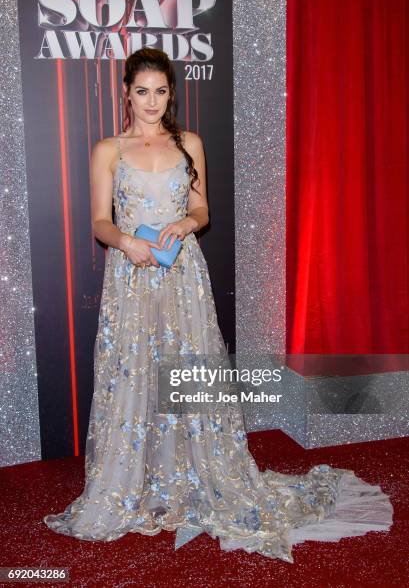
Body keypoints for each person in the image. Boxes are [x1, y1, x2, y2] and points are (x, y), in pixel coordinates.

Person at [43, 47, 393, 563]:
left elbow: (201, 207)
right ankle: (132, 484)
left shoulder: (190, 144)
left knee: (187, 370)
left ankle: (197, 474)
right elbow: (99, 220)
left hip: (184, 273)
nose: (152, 101)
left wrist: (186, 224)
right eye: (142, 91)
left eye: (161, 91)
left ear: (170, 93)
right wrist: (125, 243)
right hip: (132, 277)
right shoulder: (108, 150)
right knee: (134, 372)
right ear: (126, 92)